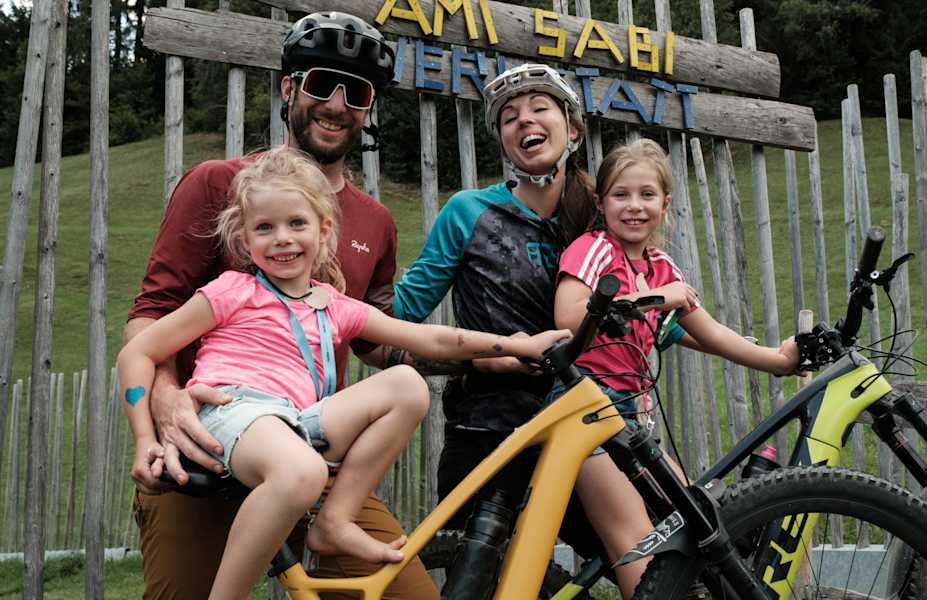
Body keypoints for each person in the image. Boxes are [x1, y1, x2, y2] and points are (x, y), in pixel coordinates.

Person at [119, 148, 569, 600]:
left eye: (296, 224)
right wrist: (145, 439)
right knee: (302, 471)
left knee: (408, 387)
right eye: (264, 228)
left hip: (295, 420)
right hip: (231, 409)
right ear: (244, 238)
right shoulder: (232, 290)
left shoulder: (332, 304)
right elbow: (138, 350)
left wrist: (516, 345)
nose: (282, 239)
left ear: (323, 229)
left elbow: (431, 340)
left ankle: (335, 519)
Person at [125, 13, 439, 599]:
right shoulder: (219, 183)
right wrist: (165, 399)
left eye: (358, 91)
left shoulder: (376, 220)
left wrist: (481, 356)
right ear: (288, 88)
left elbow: (373, 340)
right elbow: (152, 312)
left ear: (369, 109)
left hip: (314, 452)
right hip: (203, 451)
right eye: (322, 83)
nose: (337, 103)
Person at [552, 138, 800, 597]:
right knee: (635, 542)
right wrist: (653, 299)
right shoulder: (593, 250)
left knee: (697, 521)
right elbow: (569, 319)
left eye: (647, 195)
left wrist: (779, 362)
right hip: (582, 412)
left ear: (665, 203)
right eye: (621, 195)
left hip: (631, 420)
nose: (634, 207)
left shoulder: (662, 266)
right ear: (601, 202)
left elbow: (711, 333)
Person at [392, 63, 606, 555]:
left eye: (539, 108)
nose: (524, 121)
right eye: (509, 117)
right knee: (484, 575)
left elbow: (648, 303)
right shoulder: (468, 212)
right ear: (503, 141)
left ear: (572, 128)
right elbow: (392, 324)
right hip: (487, 431)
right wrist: (479, 359)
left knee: (649, 561)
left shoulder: (603, 212)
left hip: (584, 425)